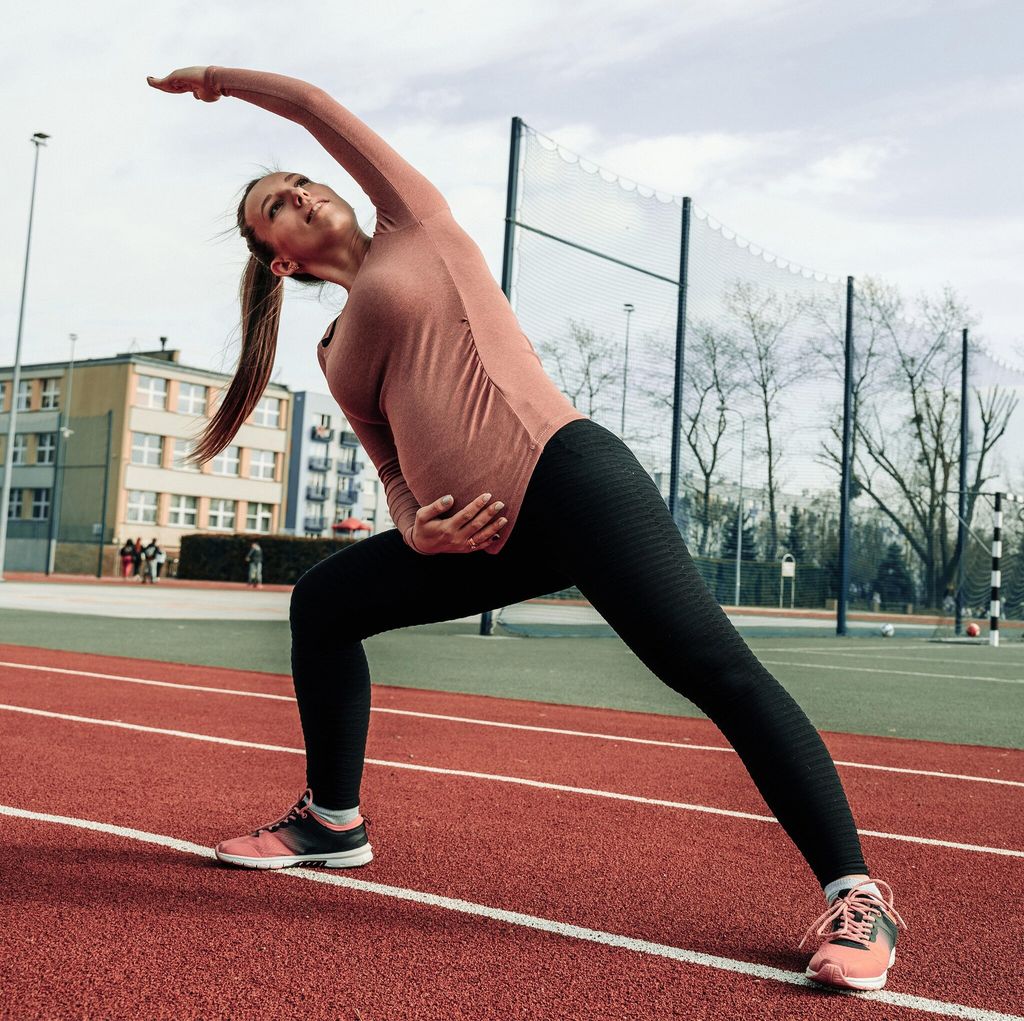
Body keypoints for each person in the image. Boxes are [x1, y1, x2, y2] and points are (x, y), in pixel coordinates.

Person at [148, 65, 906, 992]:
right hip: (481, 535)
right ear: (278, 257)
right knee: (325, 602)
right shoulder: (332, 346)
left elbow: (317, 109)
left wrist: (220, 83)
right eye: (278, 202)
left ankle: (859, 894)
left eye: (300, 181)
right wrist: (414, 529)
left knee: (714, 668)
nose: (302, 192)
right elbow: (386, 463)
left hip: (571, 475)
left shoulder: (414, 225)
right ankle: (332, 819)